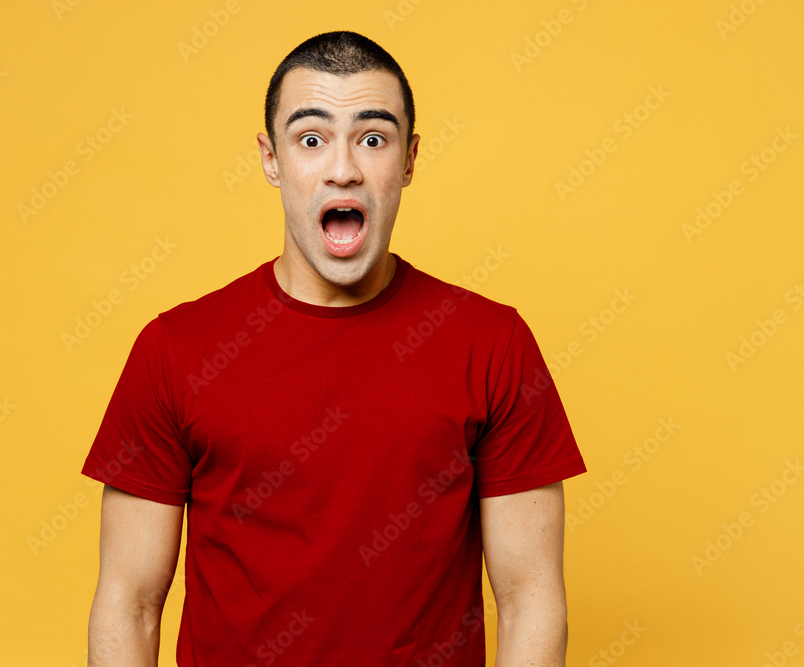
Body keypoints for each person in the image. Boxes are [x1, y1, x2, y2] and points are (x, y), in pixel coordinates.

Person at [82, 30, 587, 667]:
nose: (343, 167)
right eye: (311, 139)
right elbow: (129, 602)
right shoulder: (175, 350)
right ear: (271, 158)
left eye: (373, 139)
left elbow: (529, 596)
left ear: (408, 159)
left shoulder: (493, 344)